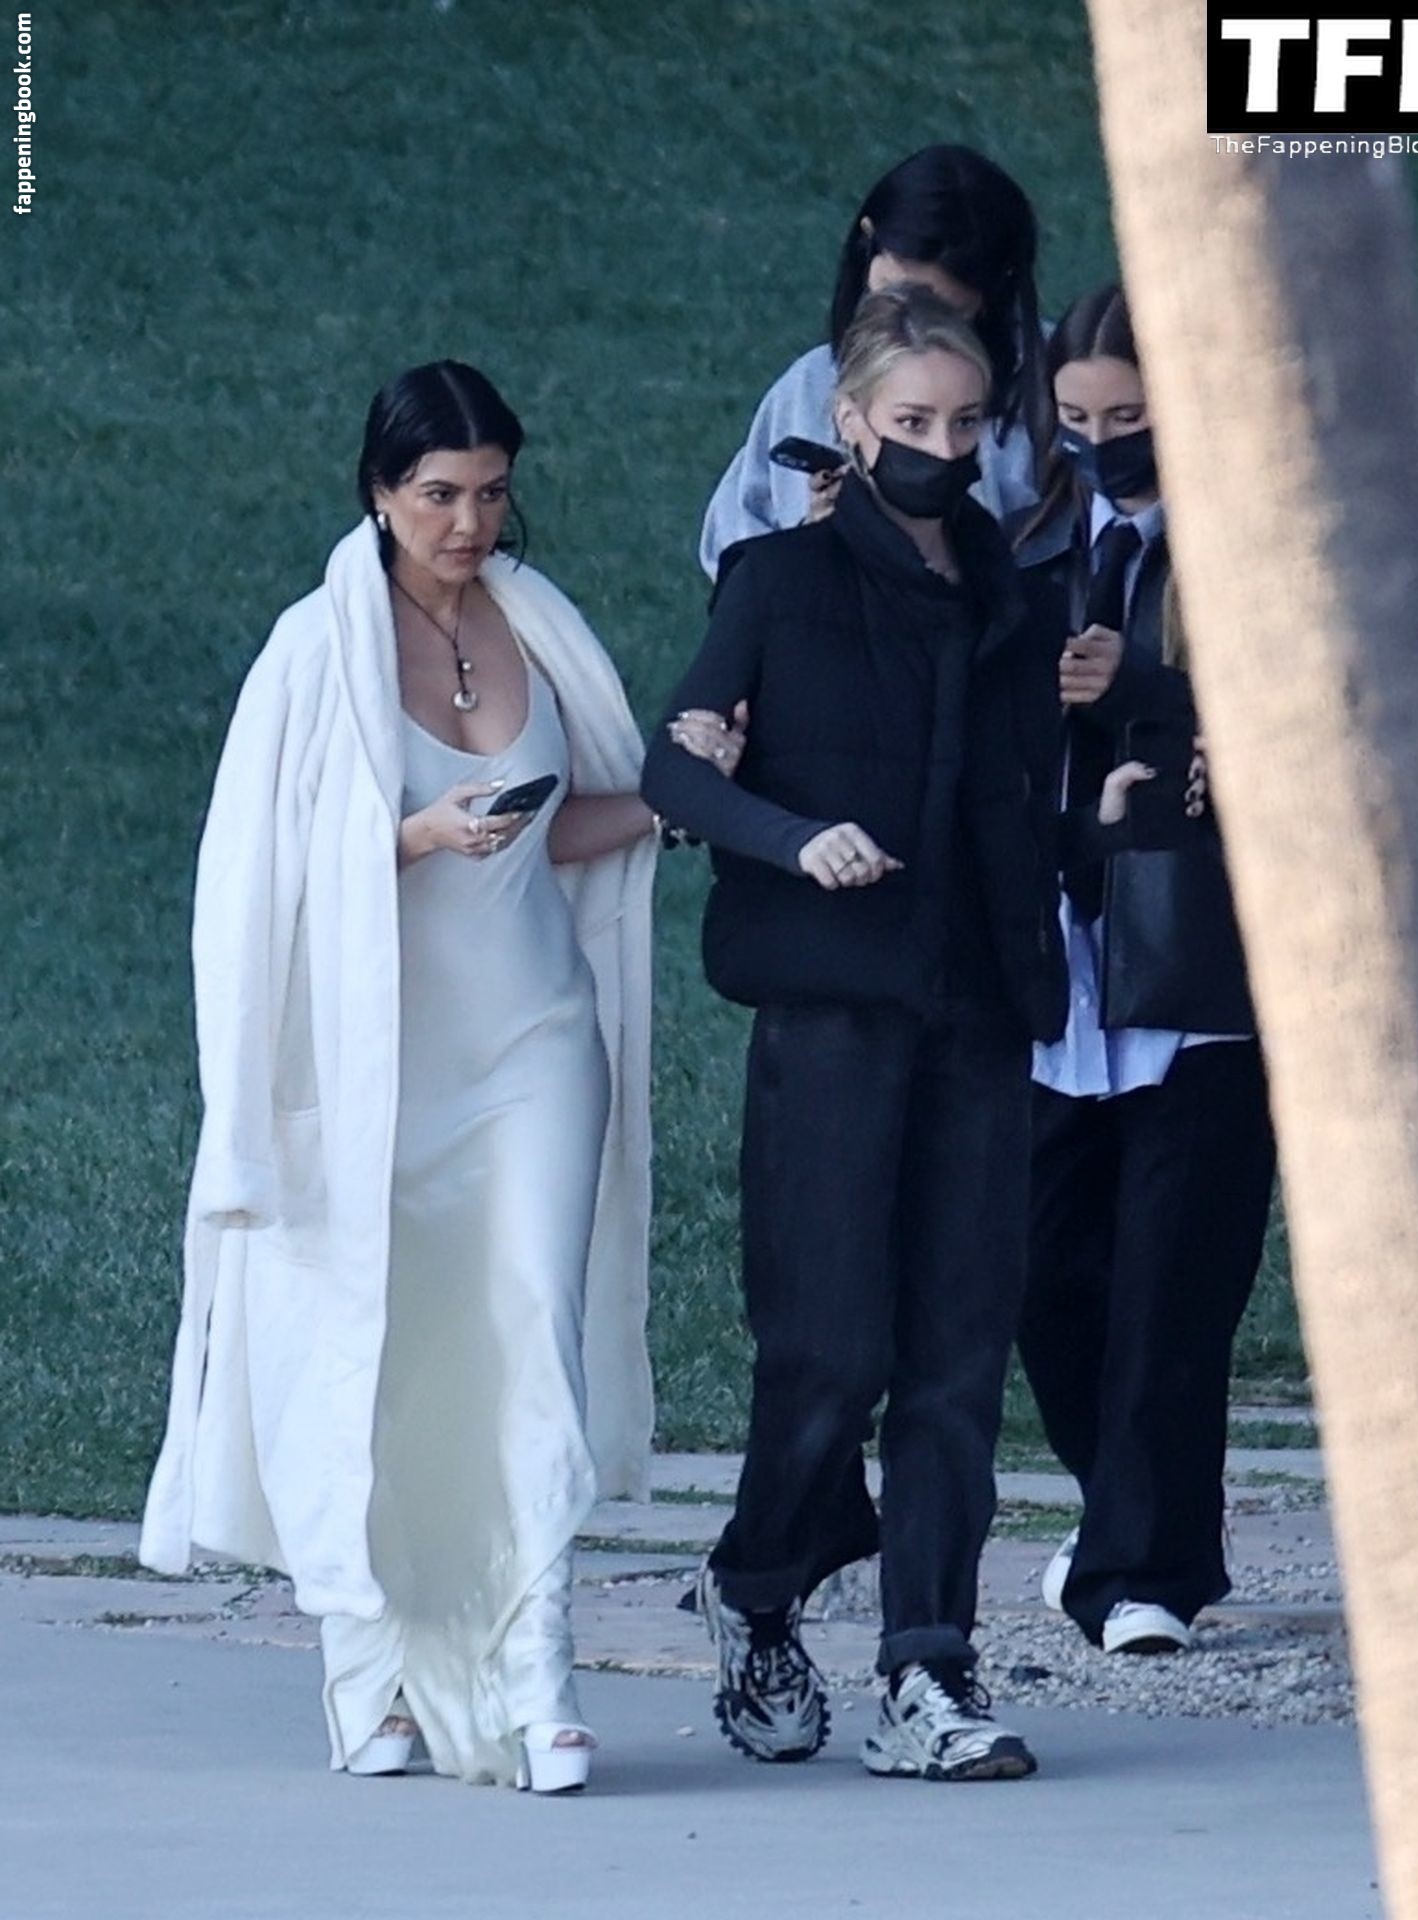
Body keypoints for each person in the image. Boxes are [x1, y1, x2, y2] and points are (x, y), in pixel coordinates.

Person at [138, 360, 737, 1793]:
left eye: (490, 493)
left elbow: (563, 826)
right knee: (381, 1349)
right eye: (438, 495)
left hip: (536, 1043)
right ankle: (368, 1669)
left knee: (534, 1331)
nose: (469, 523)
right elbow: (251, 882)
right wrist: (410, 838)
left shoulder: (541, 626)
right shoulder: (312, 652)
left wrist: (683, 796)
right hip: (376, 1070)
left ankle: (540, 1679)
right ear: (379, 492)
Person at [643, 285, 1067, 1783]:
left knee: (955, 1358)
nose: (938, 449)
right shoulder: (777, 580)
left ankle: (926, 1669)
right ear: (847, 422)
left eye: (965, 424)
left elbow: (1036, 802)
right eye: (909, 422)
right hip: (827, 1018)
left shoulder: (1018, 600)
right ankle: (757, 1589)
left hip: (979, 1015)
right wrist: (791, 833)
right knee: (825, 1353)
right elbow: (674, 772)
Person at [1011, 286, 1277, 1656]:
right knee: (1044, 1276)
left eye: (1127, 414)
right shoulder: (1034, 544)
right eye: (1075, 415)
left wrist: (1147, 690)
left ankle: (1138, 1573)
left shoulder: (1253, 550)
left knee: (1172, 1285)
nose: (1100, 439)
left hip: (1203, 975)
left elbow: (1304, 721)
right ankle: (1130, 1517)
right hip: (1061, 970)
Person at [698, 143, 1048, 578]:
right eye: (891, 295)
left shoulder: (1060, 385)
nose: (908, 327)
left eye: (944, 315)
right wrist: (813, 540)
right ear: (868, 243)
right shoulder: (809, 387)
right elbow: (734, 545)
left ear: (994, 291)